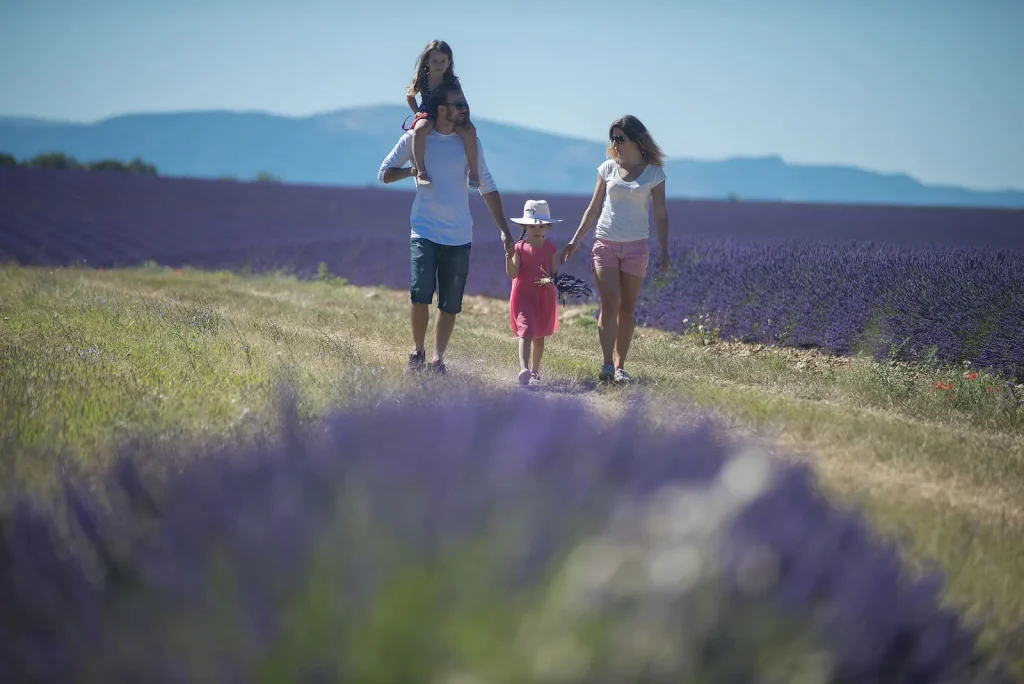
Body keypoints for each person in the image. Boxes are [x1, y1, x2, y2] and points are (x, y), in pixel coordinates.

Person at [378, 79, 516, 376]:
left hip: (459, 234)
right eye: (459, 105)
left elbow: (487, 185)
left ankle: (438, 360)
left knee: (450, 304)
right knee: (420, 294)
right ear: (442, 109)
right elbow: (384, 174)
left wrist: (504, 229)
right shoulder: (417, 140)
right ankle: (417, 351)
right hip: (423, 230)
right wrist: (411, 171)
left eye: (466, 105)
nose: (465, 110)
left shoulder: (469, 142)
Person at [560, 115, 670, 383]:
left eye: (620, 138)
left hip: (636, 247)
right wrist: (576, 240)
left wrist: (665, 249)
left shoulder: (655, 173)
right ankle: (607, 364)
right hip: (605, 243)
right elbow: (594, 208)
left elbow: (660, 214)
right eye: (613, 138)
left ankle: (621, 366)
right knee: (610, 301)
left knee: (627, 307)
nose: (615, 143)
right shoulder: (607, 168)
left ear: (636, 139)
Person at [403, 40, 481, 190]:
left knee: (469, 134)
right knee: (419, 130)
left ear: (448, 63)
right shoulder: (423, 78)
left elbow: (463, 102)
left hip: (450, 114)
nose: (439, 64)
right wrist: (417, 112)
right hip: (428, 113)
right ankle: (421, 170)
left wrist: (467, 121)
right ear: (427, 61)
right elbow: (410, 96)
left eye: (443, 61)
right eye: (435, 61)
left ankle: (474, 173)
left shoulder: (451, 82)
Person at [506, 199, 562, 388]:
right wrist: (508, 256)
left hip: (543, 298)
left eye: (541, 226)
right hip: (524, 297)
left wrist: (550, 280)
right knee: (526, 331)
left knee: (539, 337)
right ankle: (524, 369)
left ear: (547, 227)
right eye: (531, 226)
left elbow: (555, 274)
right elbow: (513, 273)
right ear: (524, 226)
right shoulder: (519, 248)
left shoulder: (551, 249)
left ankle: (536, 371)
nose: (536, 230)